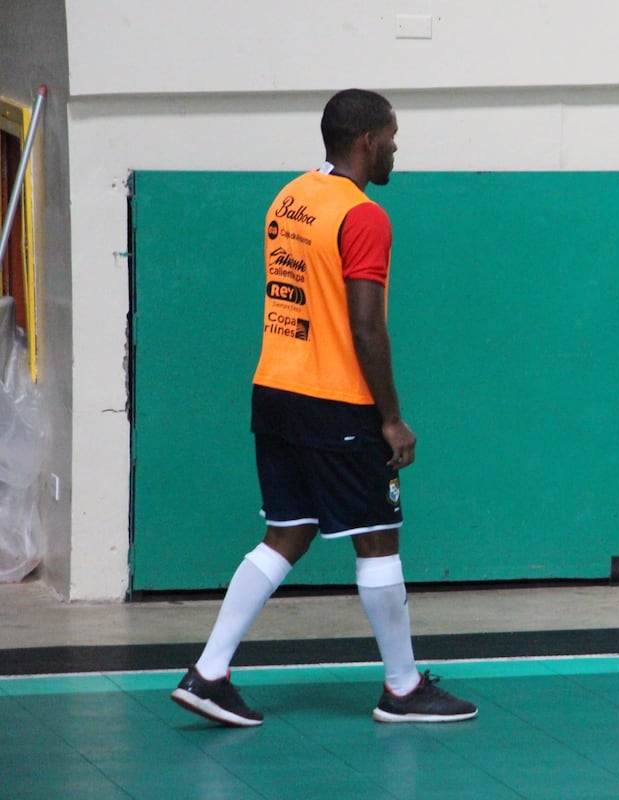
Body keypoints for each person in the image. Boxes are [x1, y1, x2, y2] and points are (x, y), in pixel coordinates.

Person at [171, 89, 477, 725]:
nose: (396, 147)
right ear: (367, 141)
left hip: (275, 392)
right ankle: (402, 687)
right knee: (378, 539)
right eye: (392, 136)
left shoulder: (289, 198)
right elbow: (366, 327)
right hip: (334, 402)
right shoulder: (363, 216)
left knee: (287, 533)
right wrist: (390, 417)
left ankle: (208, 672)